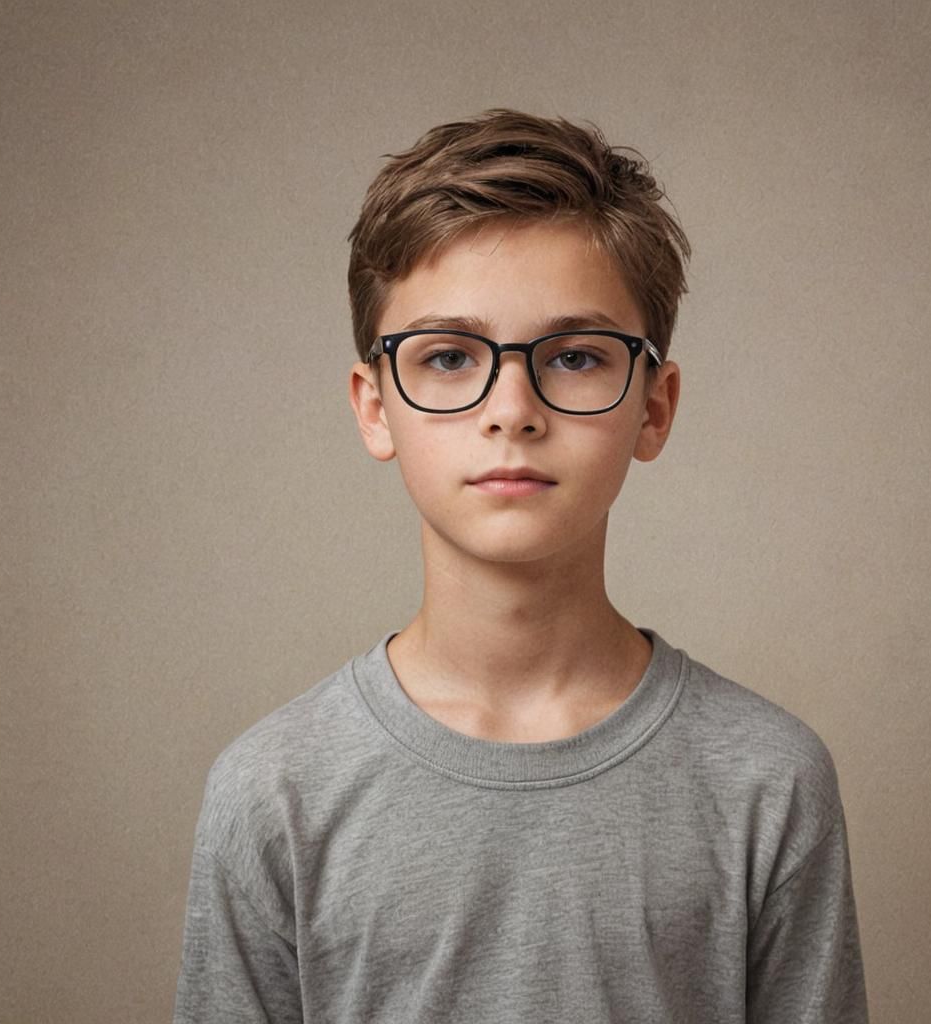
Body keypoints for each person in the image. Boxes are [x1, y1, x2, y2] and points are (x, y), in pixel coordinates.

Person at [173, 109, 869, 1023]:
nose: (512, 409)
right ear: (374, 406)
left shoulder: (768, 781)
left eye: (575, 357)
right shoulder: (273, 793)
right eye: (449, 356)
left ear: (653, 408)